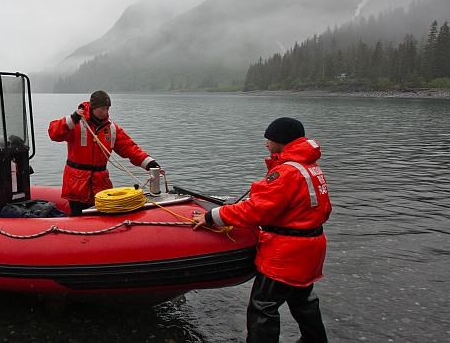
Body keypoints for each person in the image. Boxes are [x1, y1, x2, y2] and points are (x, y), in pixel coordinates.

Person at [192, 117, 330, 343]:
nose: (266, 144)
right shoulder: (310, 167)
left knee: (263, 306)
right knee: (303, 300)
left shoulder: (286, 173)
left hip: (287, 252)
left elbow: (255, 210)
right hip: (311, 246)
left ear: (281, 141)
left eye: (269, 139)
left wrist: (212, 216)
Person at [48, 90, 161, 216]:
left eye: (107, 108)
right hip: (77, 184)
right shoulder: (76, 123)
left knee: (102, 219)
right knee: (77, 217)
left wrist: (149, 162)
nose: (105, 112)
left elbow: (129, 147)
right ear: (93, 107)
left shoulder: (111, 129)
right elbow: (54, 133)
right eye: (101, 109)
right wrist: (72, 119)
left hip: (100, 185)